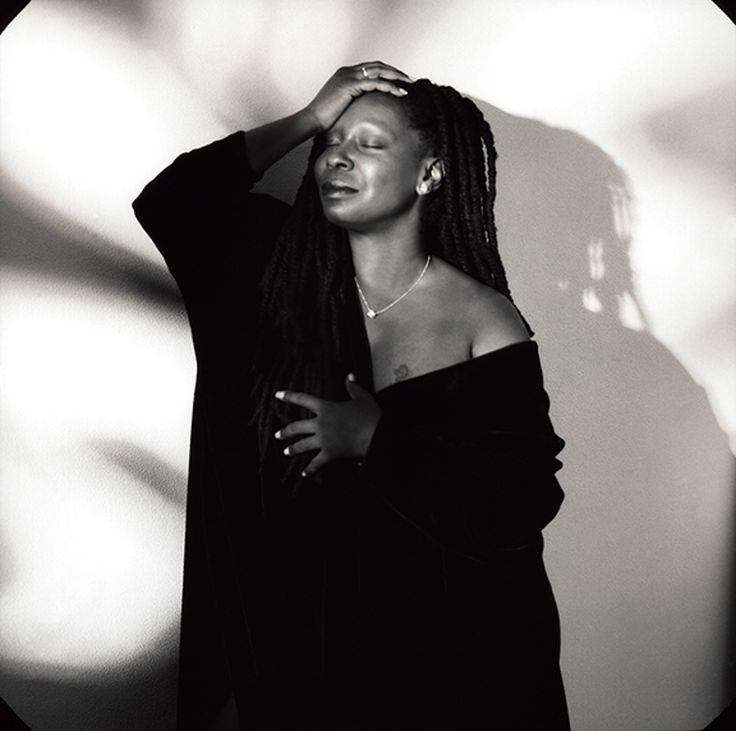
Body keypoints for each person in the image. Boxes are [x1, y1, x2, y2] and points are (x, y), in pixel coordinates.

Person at [133, 61, 570, 730]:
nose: (338, 155)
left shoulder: (484, 318)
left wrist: (376, 439)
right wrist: (309, 114)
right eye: (330, 142)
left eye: (367, 142)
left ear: (431, 173)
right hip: (301, 664)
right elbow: (170, 202)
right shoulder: (266, 273)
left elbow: (520, 501)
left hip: (454, 673)